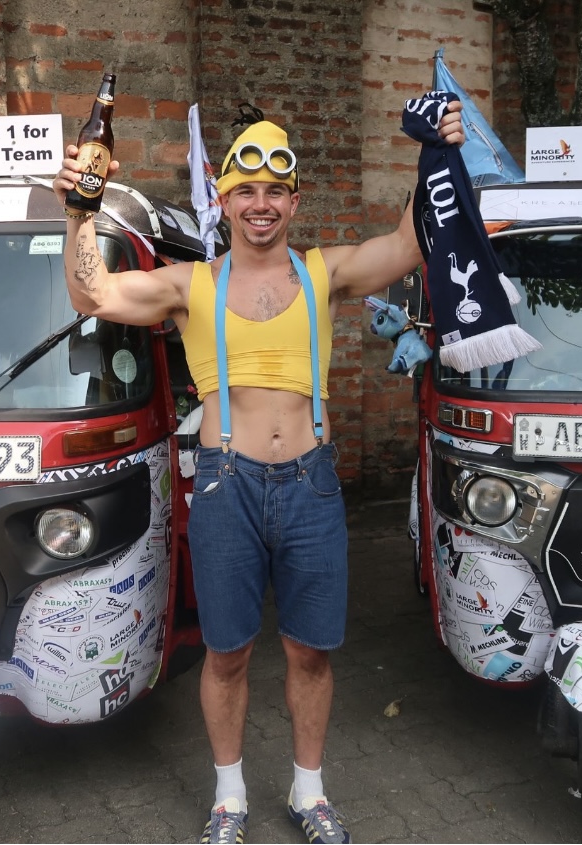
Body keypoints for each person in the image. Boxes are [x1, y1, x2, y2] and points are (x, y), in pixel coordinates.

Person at [53, 101, 464, 844]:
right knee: (228, 651)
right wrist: (82, 211)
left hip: (309, 483)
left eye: (275, 192)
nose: (261, 204)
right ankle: (229, 797)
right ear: (225, 199)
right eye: (245, 190)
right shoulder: (190, 284)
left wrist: (436, 151)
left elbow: (410, 244)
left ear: (293, 201)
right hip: (224, 484)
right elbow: (95, 294)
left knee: (310, 650)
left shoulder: (324, 272)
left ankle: (309, 792)